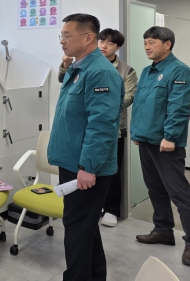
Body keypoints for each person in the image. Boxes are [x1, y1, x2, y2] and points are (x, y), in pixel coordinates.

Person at [48, 14, 124, 281]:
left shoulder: (100, 72)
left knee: (78, 229)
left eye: (67, 35)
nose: (62, 41)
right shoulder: (77, 68)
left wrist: (88, 167)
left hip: (86, 166)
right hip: (74, 162)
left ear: (89, 37)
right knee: (85, 227)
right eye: (61, 35)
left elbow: (101, 125)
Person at [131, 26, 190, 267]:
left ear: (168, 44)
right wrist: (137, 132)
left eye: (152, 42)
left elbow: (179, 107)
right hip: (146, 140)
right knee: (155, 189)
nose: (147, 47)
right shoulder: (147, 71)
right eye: (145, 43)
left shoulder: (180, 70)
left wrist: (170, 137)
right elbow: (141, 104)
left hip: (166, 144)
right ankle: (163, 230)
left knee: (179, 194)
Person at [58, 28, 137, 228]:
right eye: (102, 41)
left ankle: (111, 210)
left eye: (110, 43)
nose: (104, 46)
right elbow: (64, 81)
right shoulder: (81, 65)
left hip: (114, 129)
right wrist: (65, 66)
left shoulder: (125, 71)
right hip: (85, 131)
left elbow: (129, 97)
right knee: (88, 176)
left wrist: (107, 102)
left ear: (117, 48)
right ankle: (96, 208)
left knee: (110, 172)